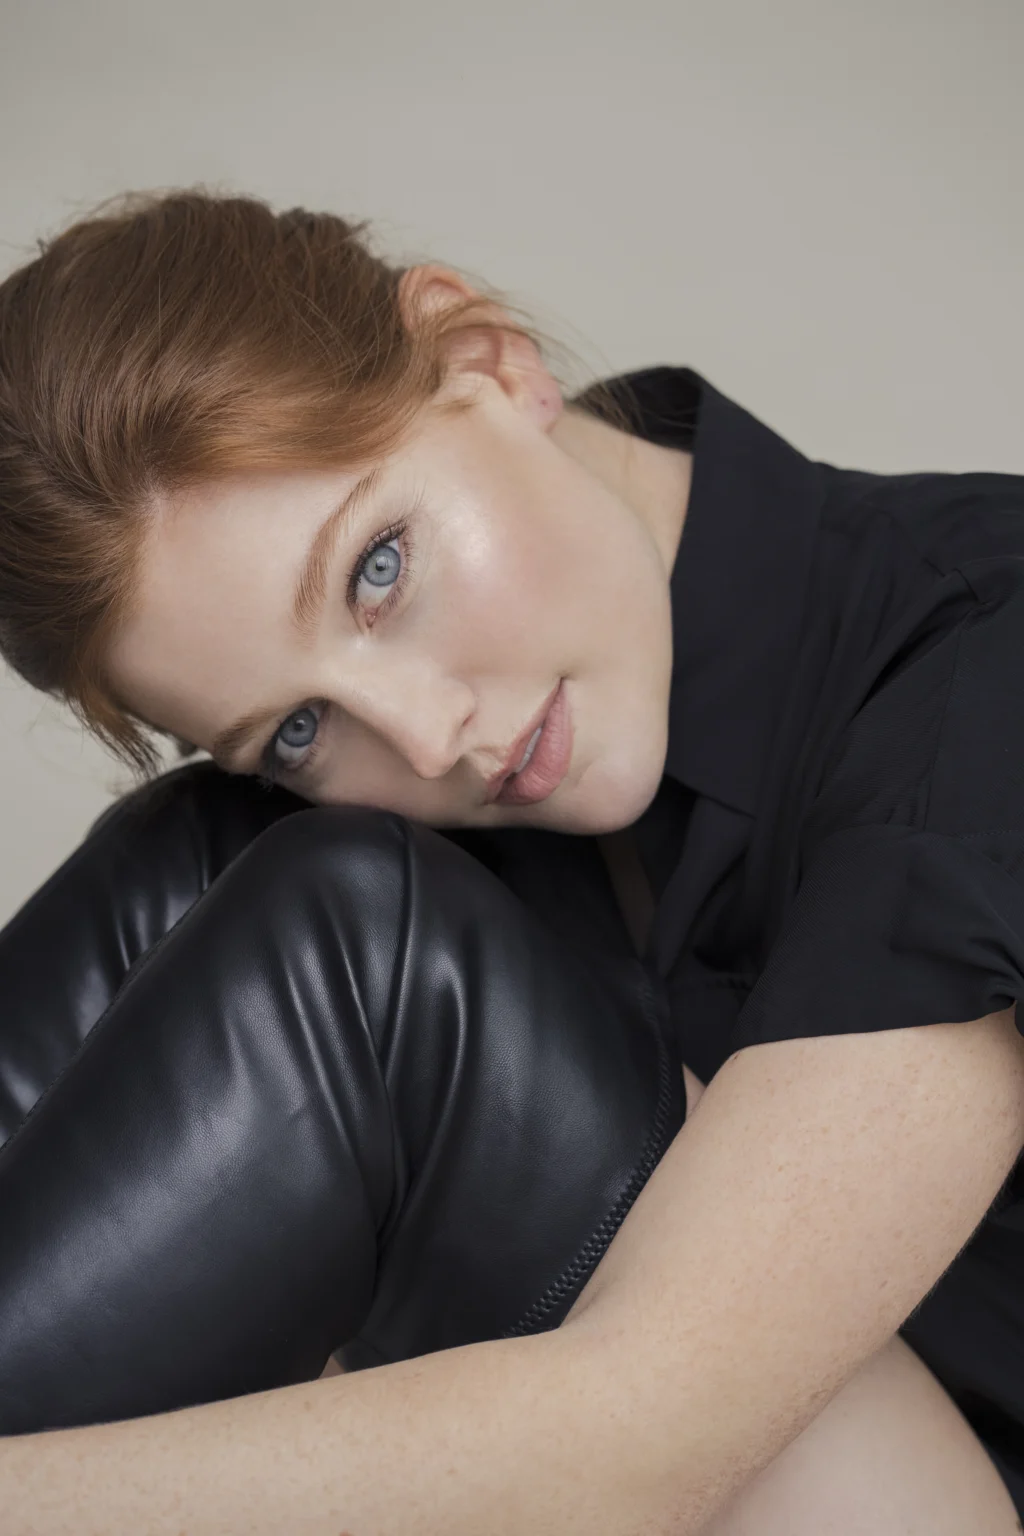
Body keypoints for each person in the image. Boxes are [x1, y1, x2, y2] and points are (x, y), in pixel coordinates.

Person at [1, 189, 1024, 1534]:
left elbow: (646, 1435)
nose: (430, 741)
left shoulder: (981, 670)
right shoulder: (388, 803)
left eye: (378, 569)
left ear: (486, 360)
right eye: (300, 728)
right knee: (198, 854)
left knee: (345, 930)